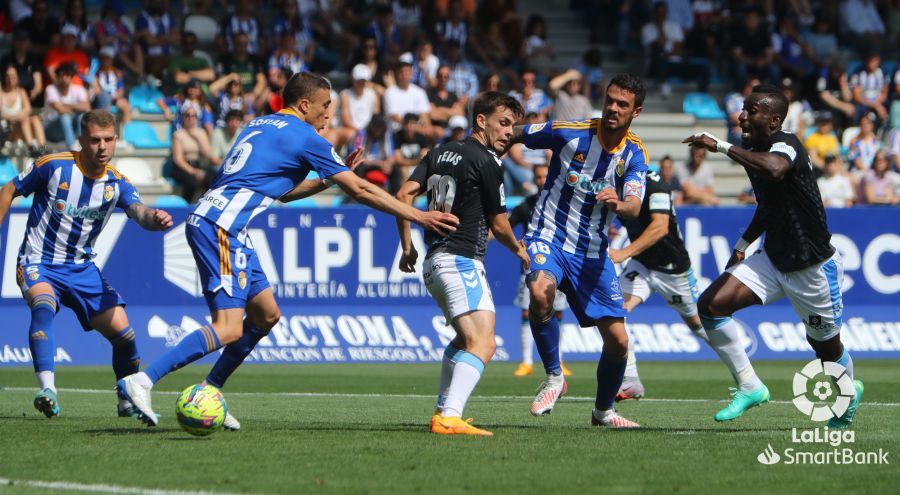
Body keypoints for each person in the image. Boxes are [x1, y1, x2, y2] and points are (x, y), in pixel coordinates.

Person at [116, 73, 458, 427]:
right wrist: (417, 215)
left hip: (224, 224)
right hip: (221, 227)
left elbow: (278, 191)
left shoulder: (260, 124)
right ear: (306, 105)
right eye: (326, 106)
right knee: (229, 327)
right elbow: (361, 190)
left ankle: (210, 389)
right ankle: (142, 380)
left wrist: (326, 179)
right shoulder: (305, 136)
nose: (329, 115)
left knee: (266, 314)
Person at [682, 84, 862, 428]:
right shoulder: (753, 148)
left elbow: (776, 169)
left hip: (812, 267)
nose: (742, 116)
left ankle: (847, 394)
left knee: (824, 348)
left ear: (775, 119)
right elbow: (769, 205)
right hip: (773, 258)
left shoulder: (787, 144)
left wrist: (720, 146)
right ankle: (750, 386)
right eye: (743, 109)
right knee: (711, 305)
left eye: (751, 110)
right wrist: (742, 244)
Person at [0, 109, 173, 418]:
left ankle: (126, 398)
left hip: (82, 269)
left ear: (116, 140)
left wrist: (155, 220)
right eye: (94, 140)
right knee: (42, 305)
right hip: (39, 260)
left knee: (125, 335)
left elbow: (139, 213)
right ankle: (48, 389)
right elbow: (9, 189)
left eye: (108, 140)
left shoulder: (117, 183)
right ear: (81, 140)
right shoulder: (53, 166)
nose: (102, 147)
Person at [510, 73, 649, 428]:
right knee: (539, 291)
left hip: (592, 251)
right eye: (611, 100)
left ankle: (603, 412)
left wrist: (618, 202)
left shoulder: (634, 152)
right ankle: (555, 377)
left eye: (623, 104)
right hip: (549, 235)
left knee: (618, 341)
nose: (613, 108)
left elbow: (634, 206)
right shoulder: (568, 130)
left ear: (637, 112)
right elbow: (514, 132)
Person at [395, 91, 529, 436]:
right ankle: (449, 416)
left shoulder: (437, 152)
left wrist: (407, 247)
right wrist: (521, 251)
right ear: (480, 121)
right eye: (503, 123)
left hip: (434, 263)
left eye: (513, 126)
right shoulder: (486, 161)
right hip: (460, 261)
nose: (508, 132)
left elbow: (403, 196)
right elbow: (500, 225)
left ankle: (443, 410)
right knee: (484, 344)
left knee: (464, 340)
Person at [607, 169, 716, 400]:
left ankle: (743, 367)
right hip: (642, 263)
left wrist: (623, 252)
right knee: (613, 309)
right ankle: (630, 381)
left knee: (698, 324)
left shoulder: (655, 184)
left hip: (672, 268)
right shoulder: (609, 178)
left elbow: (660, 227)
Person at [508, 163, 572, 378]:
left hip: (560, 265)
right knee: (527, 311)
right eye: (538, 176)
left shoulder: (565, 203)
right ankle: (526, 361)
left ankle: (559, 360)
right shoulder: (527, 205)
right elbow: (504, 227)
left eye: (545, 175)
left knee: (559, 312)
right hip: (532, 266)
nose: (541, 180)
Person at [1, 64, 47, 156]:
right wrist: (13, 118)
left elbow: (27, 110)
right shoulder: (1, 92)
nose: (10, 79)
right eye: (8, 76)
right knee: (25, 119)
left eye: (13, 76)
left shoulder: (21, 92)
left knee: (34, 118)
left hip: (20, 127)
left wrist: (14, 118)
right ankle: (30, 147)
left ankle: (43, 148)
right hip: (6, 131)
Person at [43, 63, 90, 150]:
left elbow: (87, 107)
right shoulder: (50, 89)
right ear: (57, 77)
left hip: (72, 128)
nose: (64, 78)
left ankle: (83, 145)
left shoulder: (78, 89)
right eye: (61, 75)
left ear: (71, 77)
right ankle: (71, 148)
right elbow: (60, 109)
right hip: (52, 130)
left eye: (67, 75)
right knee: (65, 117)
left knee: (82, 116)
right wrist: (76, 107)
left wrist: (67, 105)